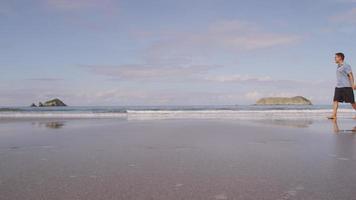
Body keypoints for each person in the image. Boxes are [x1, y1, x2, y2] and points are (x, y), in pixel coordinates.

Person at [328, 53, 356, 119]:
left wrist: (353, 85)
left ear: (340, 57)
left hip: (346, 86)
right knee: (335, 100)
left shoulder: (346, 66)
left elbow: (351, 75)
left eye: (336, 57)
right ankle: (334, 115)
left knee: (352, 102)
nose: (335, 59)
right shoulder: (338, 66)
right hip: (338, 87)